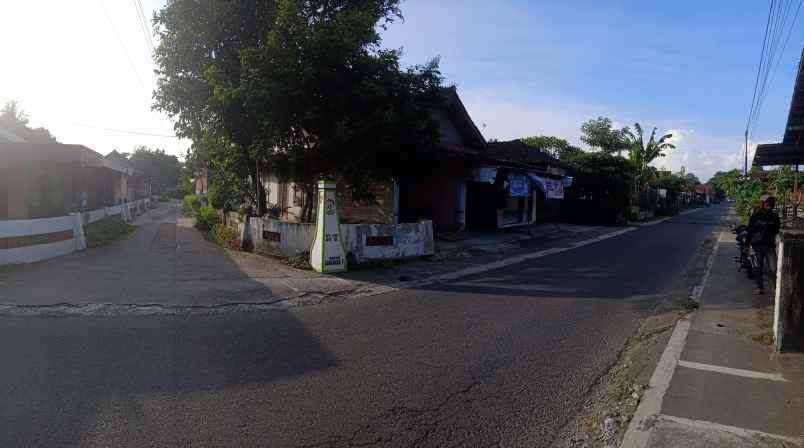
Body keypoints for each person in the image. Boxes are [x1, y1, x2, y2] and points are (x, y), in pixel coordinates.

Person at [747, 195, 780, 294]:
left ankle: (776, 289)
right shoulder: (755, 216)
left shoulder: (774, 216)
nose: (769, 204)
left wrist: (768, 229)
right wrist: (746, 245)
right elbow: (750, 231)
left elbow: (776, 229)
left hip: (769, 246)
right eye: (767, 202)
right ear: (762, 204)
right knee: (758, 268)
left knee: (774, 269)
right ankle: (760, 288)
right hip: (757, 246)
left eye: (771, 202)